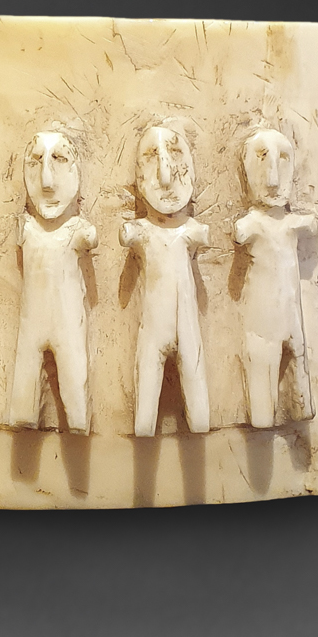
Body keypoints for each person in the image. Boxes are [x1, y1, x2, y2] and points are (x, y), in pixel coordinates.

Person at [121, 124, 210, 437]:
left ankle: (199, 420)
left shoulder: (191, 230)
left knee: (195, 378)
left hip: (186, 324)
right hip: (154, 324)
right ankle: (144, 424)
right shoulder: (141, 230)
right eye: (150, 158)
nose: (165, 175)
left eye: (175, 154)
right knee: (148, 378)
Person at [8, 131, 97, 434]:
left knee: (75, 387)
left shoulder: (77, 230)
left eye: (59, 159)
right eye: (35, 162)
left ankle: (78, 420)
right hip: (32, 323)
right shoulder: (26, 228)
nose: (47, 181)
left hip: (67, 323)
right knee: (25, 388)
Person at [235, 128, 318, 428]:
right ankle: (263, 418)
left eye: (282, 160)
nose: (272, 179)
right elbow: (241, 232)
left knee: (298, 358)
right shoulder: (253, 224)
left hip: (290, 313)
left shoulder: (290, 223)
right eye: (261, 159)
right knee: (264, 360)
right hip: (264, 317)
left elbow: (312, 224)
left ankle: (300, 409)